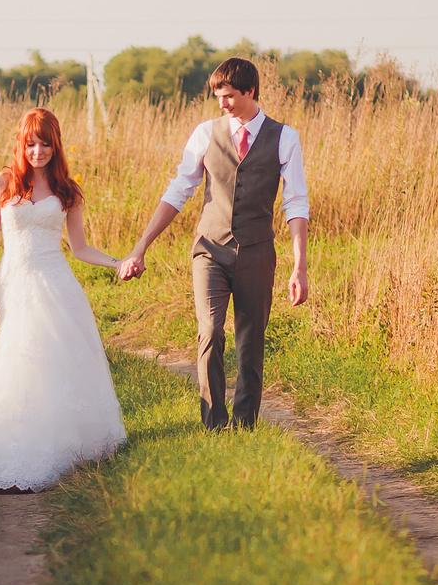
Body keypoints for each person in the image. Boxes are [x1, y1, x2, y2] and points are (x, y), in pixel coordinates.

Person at [0, 107, 127, 493]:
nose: (38, 151)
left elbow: (80, 248)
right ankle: (1, 459)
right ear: (20, 144)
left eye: (45, 144)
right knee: (7, 366)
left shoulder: (67, 191)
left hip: (56, 286)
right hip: (12, 283)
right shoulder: (2, 183)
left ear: (56, 146)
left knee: (52, 369)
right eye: (31, 144)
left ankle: (53, 457)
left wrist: (118, 263)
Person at [116, 56, 310, 430]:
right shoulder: (205, 134)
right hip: (210, 249)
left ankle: (245, 424)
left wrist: (299, 266)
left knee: (250, 341)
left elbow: (296, 202)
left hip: (257, 251)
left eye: (230, 96)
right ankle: (214, 424)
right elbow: (179, 190)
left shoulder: (285, 137)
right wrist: (141, 246)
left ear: (251, 91)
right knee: (209, 331)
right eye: (218, 96)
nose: (222, 104)